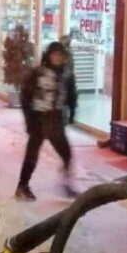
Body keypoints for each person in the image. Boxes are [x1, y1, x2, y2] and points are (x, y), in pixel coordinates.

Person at [15, 41, 77, 201]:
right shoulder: (38, 73)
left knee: (67, 154)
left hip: (55, 120)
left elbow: (71, 95)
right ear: (48, 56)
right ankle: (22, 186)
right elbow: (25, 97)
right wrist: (29, 120)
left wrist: (72, 113)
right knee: (31, 156)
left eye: (60, 55)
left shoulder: (67, 74)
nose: (57, 58)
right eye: (54, 55)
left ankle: (67, 185)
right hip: (39, 119)